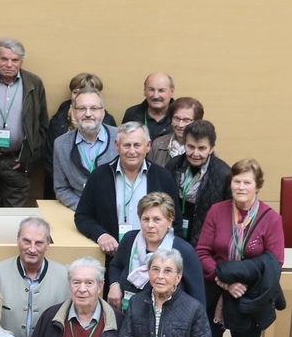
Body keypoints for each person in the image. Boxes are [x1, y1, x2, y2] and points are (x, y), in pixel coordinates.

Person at [194, 159, 286, 337]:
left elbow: (275, 262)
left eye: (247, 182)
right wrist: (225, 281)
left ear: (258, 186)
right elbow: (202, 253)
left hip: (250, 297)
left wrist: (240, 281)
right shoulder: (216, 211)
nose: (241, 187)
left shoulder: (271, 219)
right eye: (237, 181)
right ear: (230, 183)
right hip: (215, 292)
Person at [74, 122, 180, 258]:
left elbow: (175, 222)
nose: (131, 151)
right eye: (126, 145)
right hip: (111, 257)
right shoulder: (99, 176)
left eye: (137, 145)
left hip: (152, 259)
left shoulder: (163, 177)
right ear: (117, 146)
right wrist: (101, 235)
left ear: (148, 146)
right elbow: (83, 216)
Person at [0, 39, 50, 206]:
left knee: (15, 216)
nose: (9, 64)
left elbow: (42, 125)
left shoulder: (34, 84)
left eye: (15, 60)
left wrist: (29, 156)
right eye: (4, 59)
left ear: (21, 61)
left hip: (17, 162)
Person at [109, 192, 205, 309]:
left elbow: (198, 300)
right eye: (145, 219)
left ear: (170, 221)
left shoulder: (183, 252)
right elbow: (115, 266)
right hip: (127, 317)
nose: (150, 225)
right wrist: (114, 285)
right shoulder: (129, 240)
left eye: (156, 219)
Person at [44, 73, 117, 200]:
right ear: (74, 111)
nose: (88, 114)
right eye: (82, 109)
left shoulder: (120, 138)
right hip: (76, 209)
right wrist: (84, 210)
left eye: (94, 108)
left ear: (103, 112)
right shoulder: (61, 143)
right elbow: (61, 187)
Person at [168, 119, 231, 248]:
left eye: (202, 148)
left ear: (211, 148)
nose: (195, 154)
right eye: (191, 147)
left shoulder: (224, 173)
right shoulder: (173, 165)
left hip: (207, 242)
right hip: (174, 235)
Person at [149, 96, 203, 167]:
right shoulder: (158, 144)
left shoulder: (204, 149)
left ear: (197, 122)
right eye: (176, 119)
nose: (180, 125)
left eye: (186, 120)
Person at [121, 72, 175, 141]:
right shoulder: (132, 114)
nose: (156, 96)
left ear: (172, 92)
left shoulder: (180, 116)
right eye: (151, 90)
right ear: (144, 91)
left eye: (161, 90)